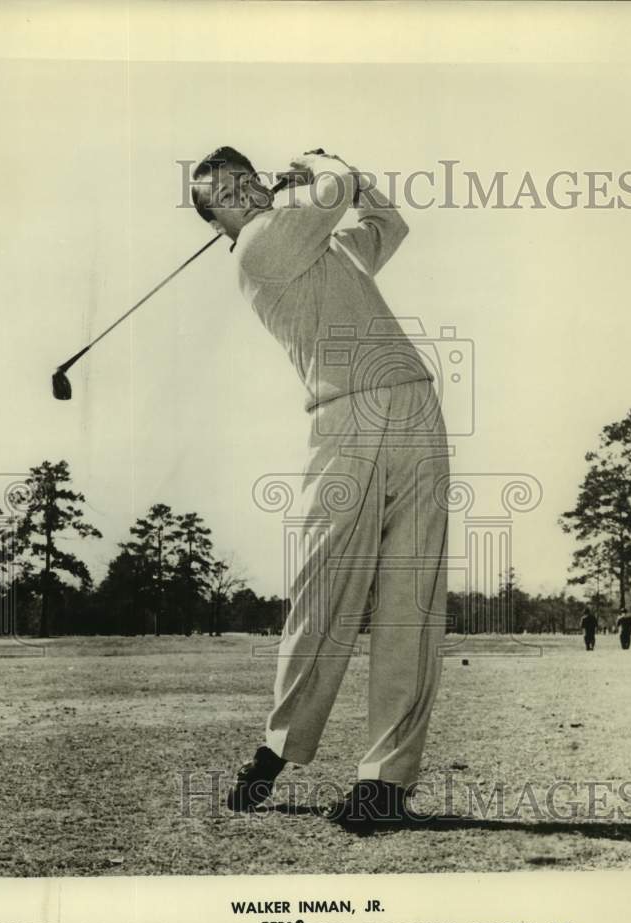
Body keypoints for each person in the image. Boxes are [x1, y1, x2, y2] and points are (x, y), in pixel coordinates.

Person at [191, 147, 449, 831]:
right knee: (325, 588)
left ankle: (385, 783)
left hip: (414, 402)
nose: (244, 193)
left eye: (247, 179)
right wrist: (319, 162)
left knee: (411, 597)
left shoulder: (324, 247)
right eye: (225, 193)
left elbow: (387, 224)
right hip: (344, 416)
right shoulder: (257, 248)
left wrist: (347, 177)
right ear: (218, 223)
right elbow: (335, 190)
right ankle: (278, 748)